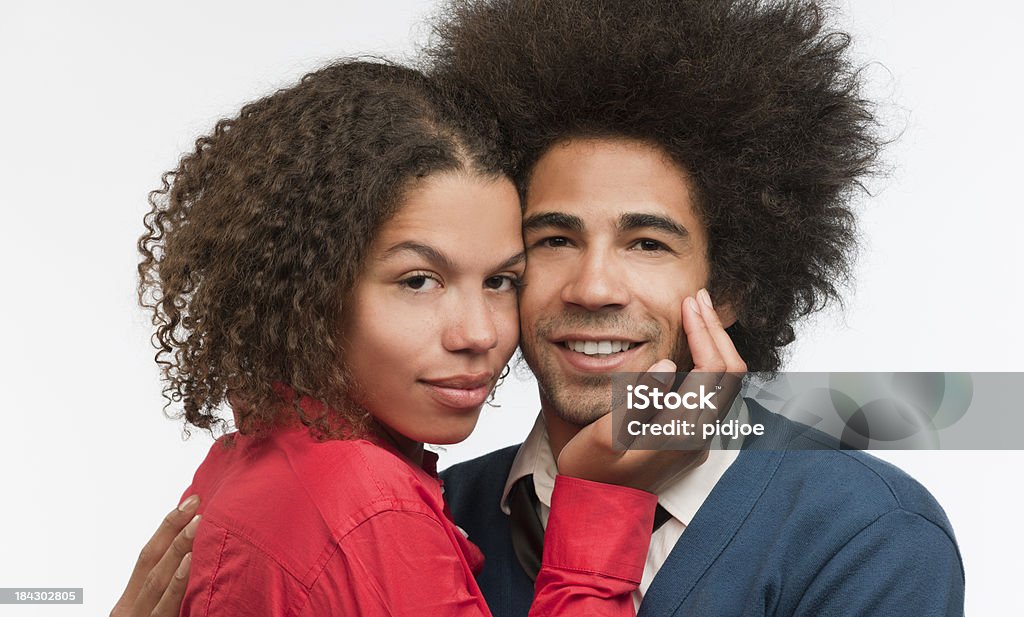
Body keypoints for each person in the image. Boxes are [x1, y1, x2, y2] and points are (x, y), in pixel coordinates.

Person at [116, 0, 965, 615]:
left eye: (647, 243)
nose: (592, 288)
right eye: (552, 240)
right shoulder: (440, 513)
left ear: (735, 281)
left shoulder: (865, 533)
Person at [114, 58, 741, 617]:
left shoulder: (253, 461)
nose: (479, 334)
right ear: (305, 289)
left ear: (734, 287)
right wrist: (600, 505)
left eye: (500, 280)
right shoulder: (381, 510)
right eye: (418, 281)